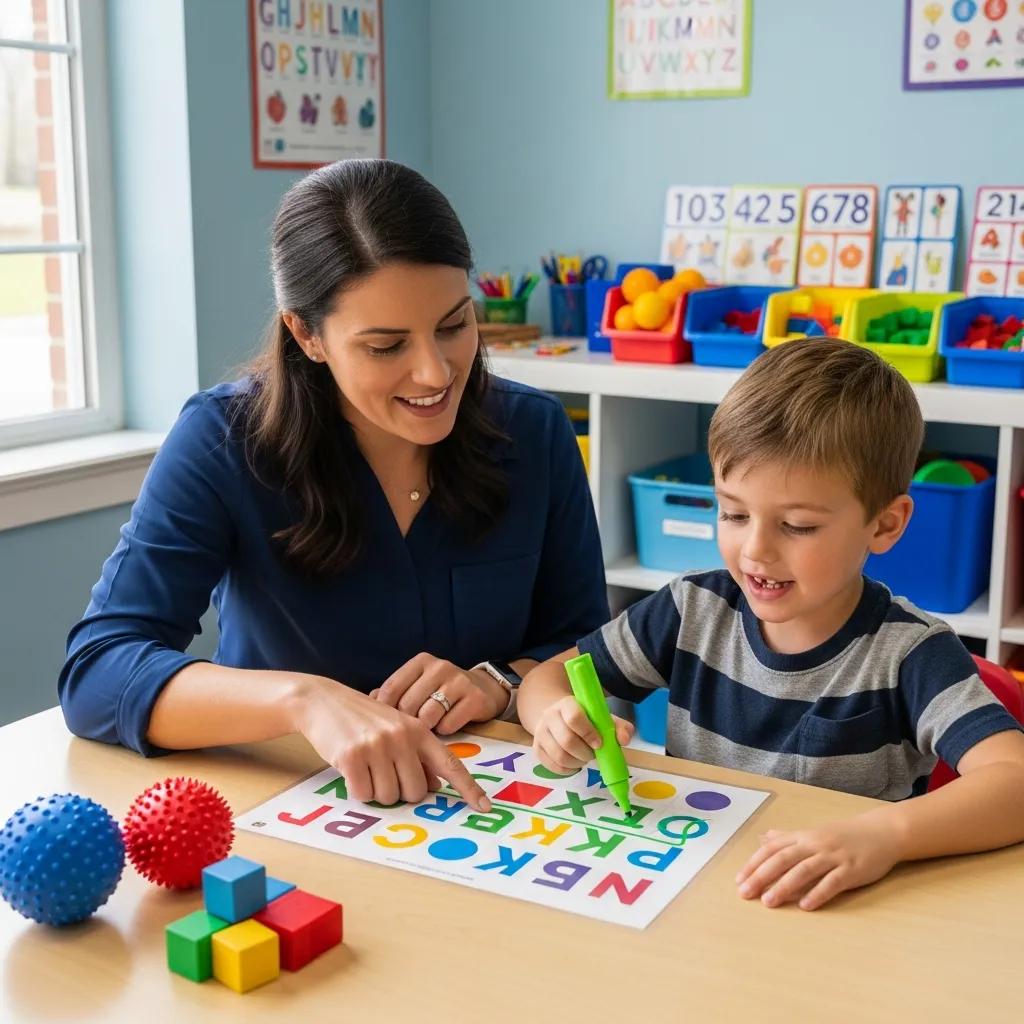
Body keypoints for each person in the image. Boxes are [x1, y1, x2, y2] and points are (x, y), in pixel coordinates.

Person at [59, 159, 608, 811]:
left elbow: (589, 647)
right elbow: (98, 672)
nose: (435, 372)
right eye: (385, 346)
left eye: (455, 326)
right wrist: (306, 700)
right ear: (307, 335)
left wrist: (499, 682)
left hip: (488, 812)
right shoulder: (222, 440)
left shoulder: (534, 432)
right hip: (289, 804)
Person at [517, 338, 1024, 910]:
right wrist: (554, 717)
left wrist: (887, 834)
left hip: (838, 914)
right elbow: (549, 678)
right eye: (733, 513)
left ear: (884, 525)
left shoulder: (910, 653)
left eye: (799, 526)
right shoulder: (692, 609)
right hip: (699, 893)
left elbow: (1016, 781)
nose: (755, 550)